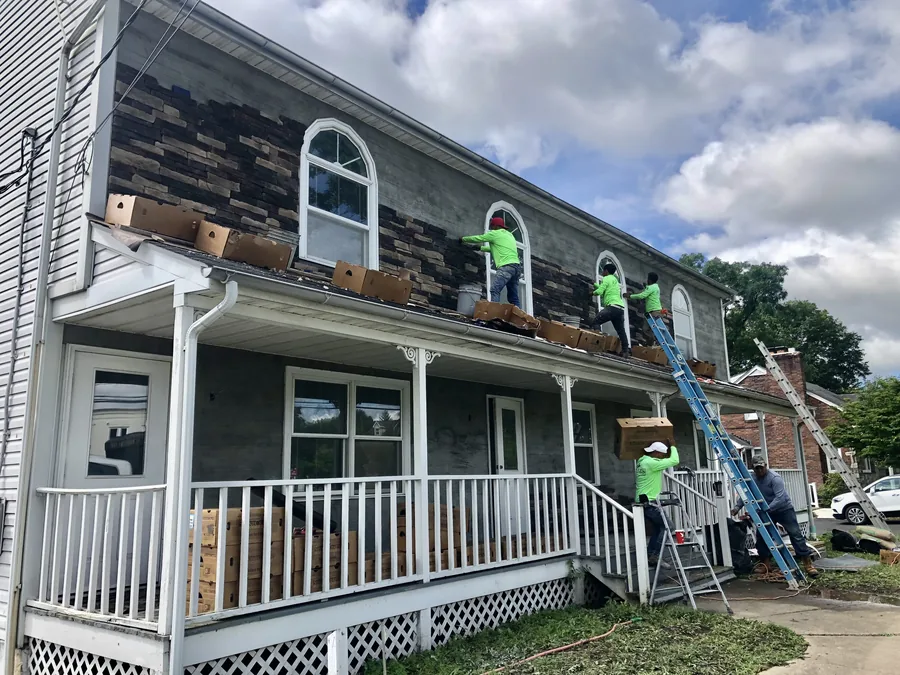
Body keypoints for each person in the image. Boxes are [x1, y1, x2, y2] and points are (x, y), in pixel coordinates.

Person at [731, 456, 819, 577]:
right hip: (766, 511)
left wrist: (766, 509)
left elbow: (780, 498)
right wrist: (737, 507)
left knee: (796, 535)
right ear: (753, 469)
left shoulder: (774, 478)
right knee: (761, 536)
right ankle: (765, 565)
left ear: (766, 466)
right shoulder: (751, 479)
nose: (760, 471)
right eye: (757, 469)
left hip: (783, 509)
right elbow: (745, 494)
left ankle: (808, 564)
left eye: (762, 468)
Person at [635, 440, 680, 566]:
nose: (662, 456)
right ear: (656, 452)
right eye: (661, 454)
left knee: (657, 529)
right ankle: (655, 556)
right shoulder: (651, 463)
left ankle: (650, 554)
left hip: (644, 502)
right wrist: (673, 446)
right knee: (668, 526)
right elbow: (674, 461)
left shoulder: (642, 461)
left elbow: (660, 462)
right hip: (650, 503)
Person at [461, 217, 522, 308]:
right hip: (516, 268)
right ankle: (519, 317)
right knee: (513, 296)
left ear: (496, 226)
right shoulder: (510, 235)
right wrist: (481, 248)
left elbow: (479, 238)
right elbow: (497, 248)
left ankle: (495, 313)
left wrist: (463, 239)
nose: (491, 228)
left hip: (506, 266)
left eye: (492, 226)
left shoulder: (494, 233)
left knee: (495, 290)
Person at [590, 263, 630, 356]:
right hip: (620, 309)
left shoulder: (606, 278)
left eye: (603, 271)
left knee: (596, 322)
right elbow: (603, 289)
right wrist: (595, 284)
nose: (603, 273)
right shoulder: (615, 280)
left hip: (612, 307)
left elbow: (599, 292)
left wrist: (592, 293)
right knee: (621, 330)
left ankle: (597, 344)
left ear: (606, 271)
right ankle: (625, 351)